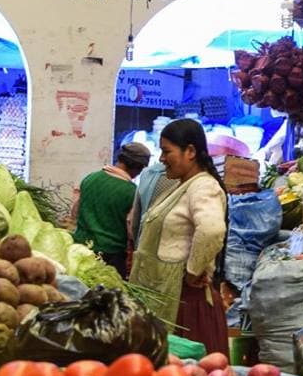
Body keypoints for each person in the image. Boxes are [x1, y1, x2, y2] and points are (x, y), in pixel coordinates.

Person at [129, 119, 230, 357]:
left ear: (190, 151)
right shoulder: (183, 185)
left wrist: (194, 270)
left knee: (187, 371)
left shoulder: (203, 186)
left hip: (184, 303)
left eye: (167, 151)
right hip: (167, 295)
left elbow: (212, 230)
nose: (162, 158)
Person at [70, 142, 151, 278]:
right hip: (111, 257)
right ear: (138, 167)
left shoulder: (89, 178)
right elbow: (131, 229)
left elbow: (74, 212)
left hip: (79, 250)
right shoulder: (132, 192)